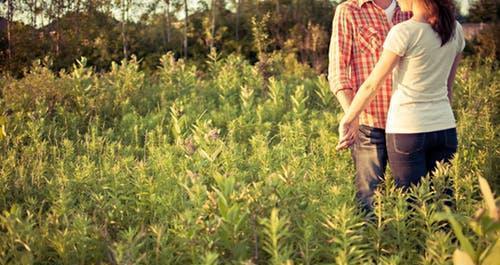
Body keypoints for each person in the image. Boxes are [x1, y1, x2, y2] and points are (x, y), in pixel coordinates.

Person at [336, 0, 465, 202]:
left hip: (407, 128)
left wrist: (348, 117)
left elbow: (372, 84)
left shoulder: (404, 29)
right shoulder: (456, 29)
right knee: (443, 201)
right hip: (442, 126)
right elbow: (448, 87)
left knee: (412, 203)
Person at [328, 0, 412, 212]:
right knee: (369, 201)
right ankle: (372, 244)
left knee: (411, 200)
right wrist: (352, 115)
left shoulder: (412, 9)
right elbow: (338, 72)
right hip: (369, 123)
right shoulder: (349, 11)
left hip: (409, 124)